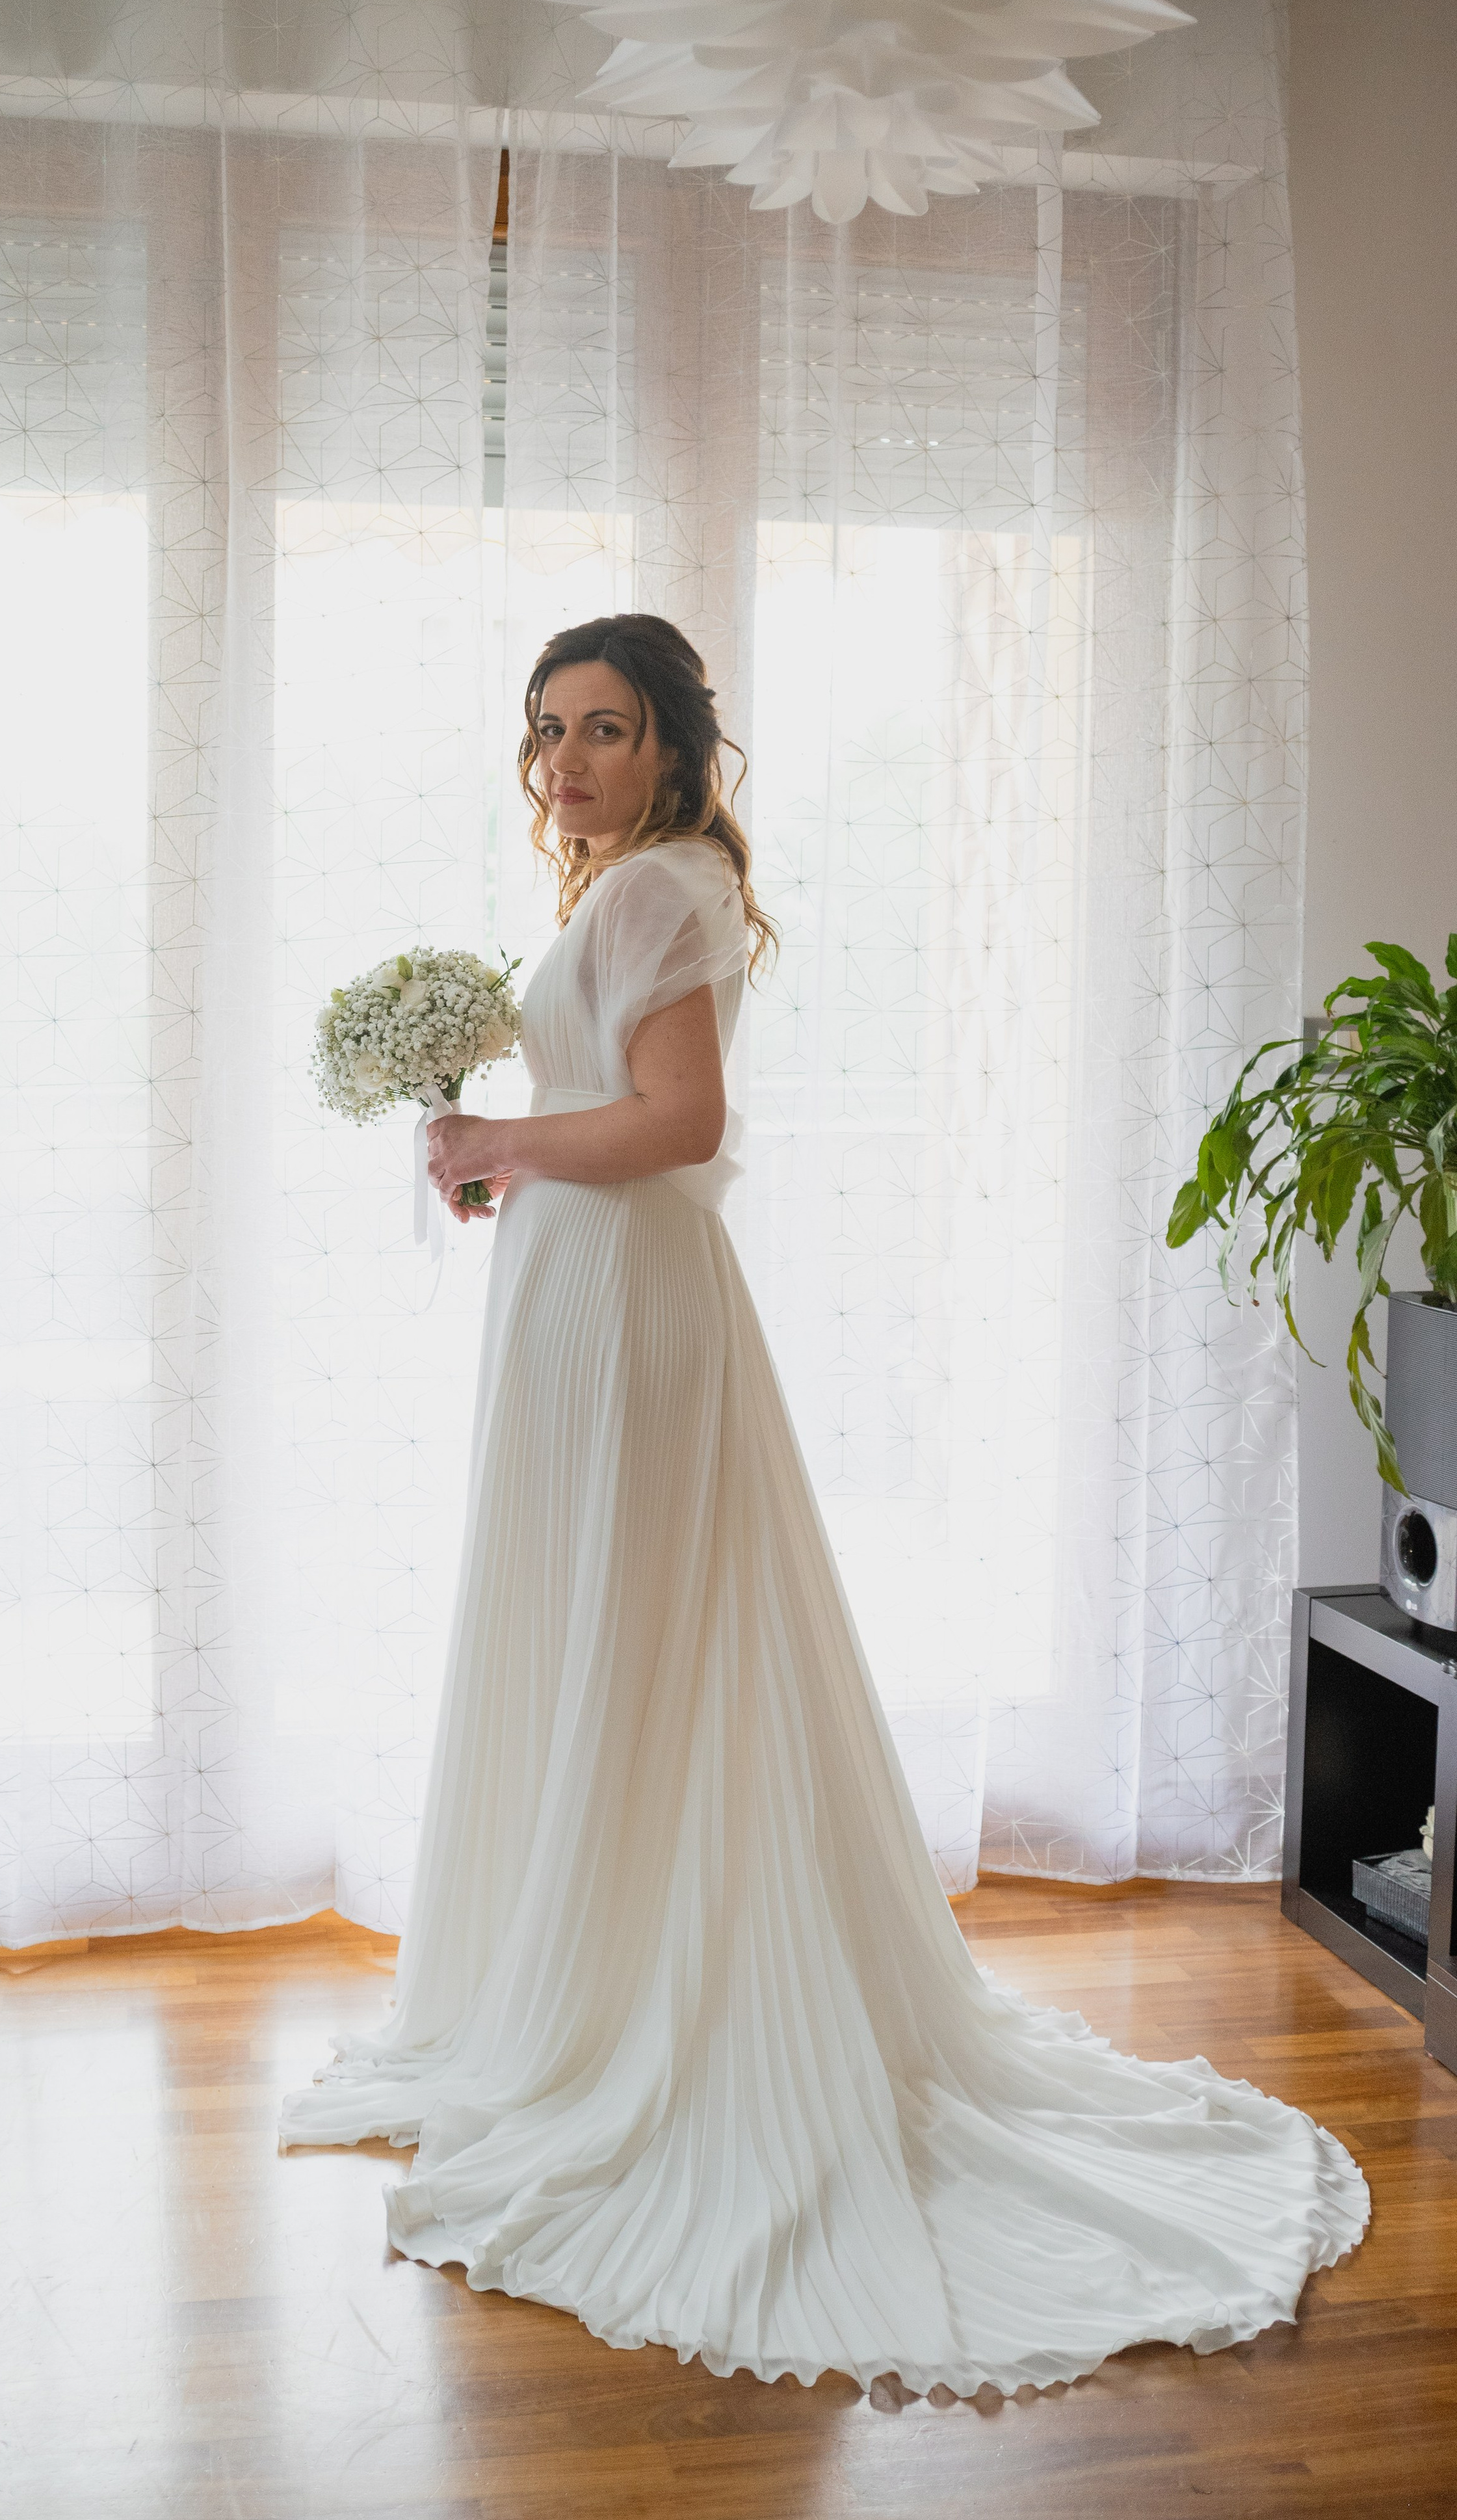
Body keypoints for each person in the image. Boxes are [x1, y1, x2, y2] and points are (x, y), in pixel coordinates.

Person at [281, 613, 1367, 2396]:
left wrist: (502, 1148)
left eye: (608, 729)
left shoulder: (651, 893)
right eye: (548, 729)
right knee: (608, 1634)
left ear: (678, 746)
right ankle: (602, 1981)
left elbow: (684, 1125)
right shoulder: (631, 884)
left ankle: (641, 2017)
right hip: (587, 1288)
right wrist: (515, 1159)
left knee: (632, 1637)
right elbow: (615, 1113)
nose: (567, 761)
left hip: (628, 1305)